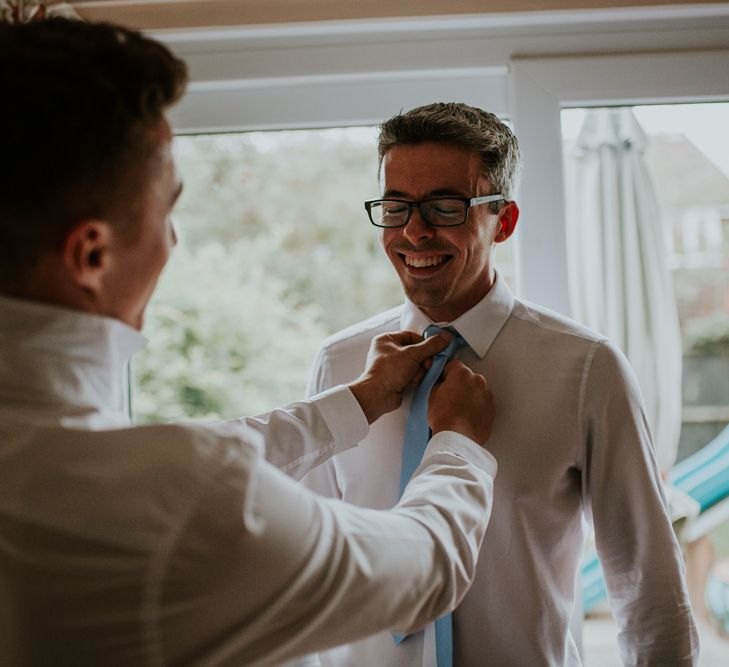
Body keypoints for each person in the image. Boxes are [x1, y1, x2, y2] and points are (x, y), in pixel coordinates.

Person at [0, 20, 501, 666]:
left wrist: (352, 403)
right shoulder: (169, 504)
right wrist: (458, 444)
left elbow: (167, 469)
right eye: (164, 210)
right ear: (91, 254)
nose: (173, 242)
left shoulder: (80, 470)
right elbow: (421, 568)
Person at [302, 102, 700, 665]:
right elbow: (312, 564)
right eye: (396, 208)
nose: (414, 231)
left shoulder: (587, 369)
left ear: (504, 222)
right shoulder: (338, 364)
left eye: (445, 206)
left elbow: (647, 582)